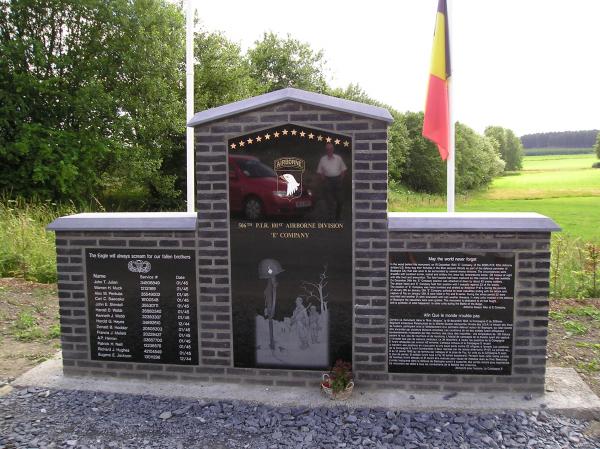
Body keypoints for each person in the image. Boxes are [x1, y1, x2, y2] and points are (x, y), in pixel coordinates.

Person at [316, 143, 347, 220]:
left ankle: (338, 215)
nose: (329, 150)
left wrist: (341, 178)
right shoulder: (323, 159)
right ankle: (330, 217)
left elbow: (343, 169)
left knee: (340, 200)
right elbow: (320, 171)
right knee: (329, 201)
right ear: (326, 150)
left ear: (333, 149)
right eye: (327, 149)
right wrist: (323, 179)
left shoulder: (338, 158)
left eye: (330, 149)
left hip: (337, 180)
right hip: (328, 180)